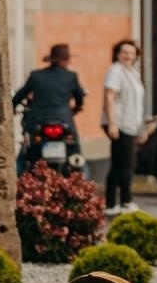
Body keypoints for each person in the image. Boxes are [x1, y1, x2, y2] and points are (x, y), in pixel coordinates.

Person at [11, 43, 85, 174]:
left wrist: (12, 108)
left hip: (37, 121)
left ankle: (17, 179)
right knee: (75, 150)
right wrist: (77, 107)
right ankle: (80, 179)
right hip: (64, 121)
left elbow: (19, 96)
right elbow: (79, 96)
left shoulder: (36, 75)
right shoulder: (71, 76)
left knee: (25, 153)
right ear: (67, 60)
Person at [101, 39, 148, 215]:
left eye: (131, 53)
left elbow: (137, 104)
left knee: (118, 165)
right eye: (124, 53)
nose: (128, 56)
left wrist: (141, 127)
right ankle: (126, 202)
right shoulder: (115, 71)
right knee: (128, 164)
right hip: (120, 124)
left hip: (131, 124)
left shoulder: (132, 72)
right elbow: (109, 97)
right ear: (118, 54)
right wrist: (112, 123)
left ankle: (111, 204)